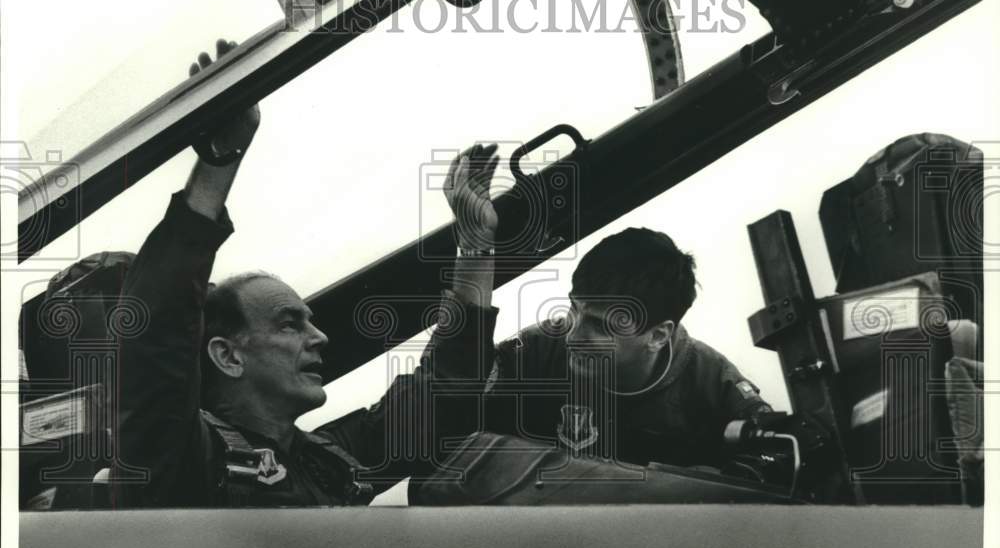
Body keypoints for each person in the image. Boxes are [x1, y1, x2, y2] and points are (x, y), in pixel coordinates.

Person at [112, 41, 488, 507]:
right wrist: (219, 159)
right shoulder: (179, 458)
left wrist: (474, 244)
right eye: (289, 324)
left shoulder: (331, 461)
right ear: (228, 356)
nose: (320, 338)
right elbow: (156, 332)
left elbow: (445, 396)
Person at [424, 143, 773, 469]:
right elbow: (451, 396)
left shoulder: (712, 385)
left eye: (599, 324)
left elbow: (769, 473)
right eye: (574, 310)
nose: (573, 335)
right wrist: (475, 244)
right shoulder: (537, 352)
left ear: (657, 335)